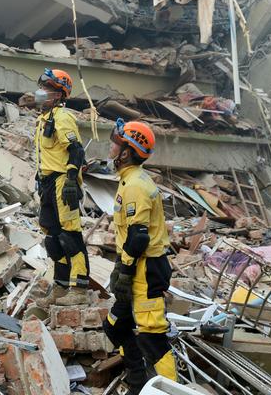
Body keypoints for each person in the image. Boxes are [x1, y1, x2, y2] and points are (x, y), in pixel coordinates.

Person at [103, 119, 176, 394]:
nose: (111, 146)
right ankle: (138, 381)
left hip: (145, 268)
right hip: (135, 264)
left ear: (127, 151)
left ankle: (170, 390)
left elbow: (139, 238)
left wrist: (125, 269)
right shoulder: (130, 179)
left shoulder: (135, 185)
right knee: (115, 325)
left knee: (152, 339)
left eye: (117, 142)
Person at [34, 68, 90, 307]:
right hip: (47, 183)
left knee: (70, 236)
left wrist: (70, 179)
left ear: (58, 95)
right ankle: (61, 285)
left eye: (46, 89)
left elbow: (76, 150)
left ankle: (80, 288)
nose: (41, 93)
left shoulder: (62, 117)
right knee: (53, 237)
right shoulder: (43, 119)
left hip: (61, 183)